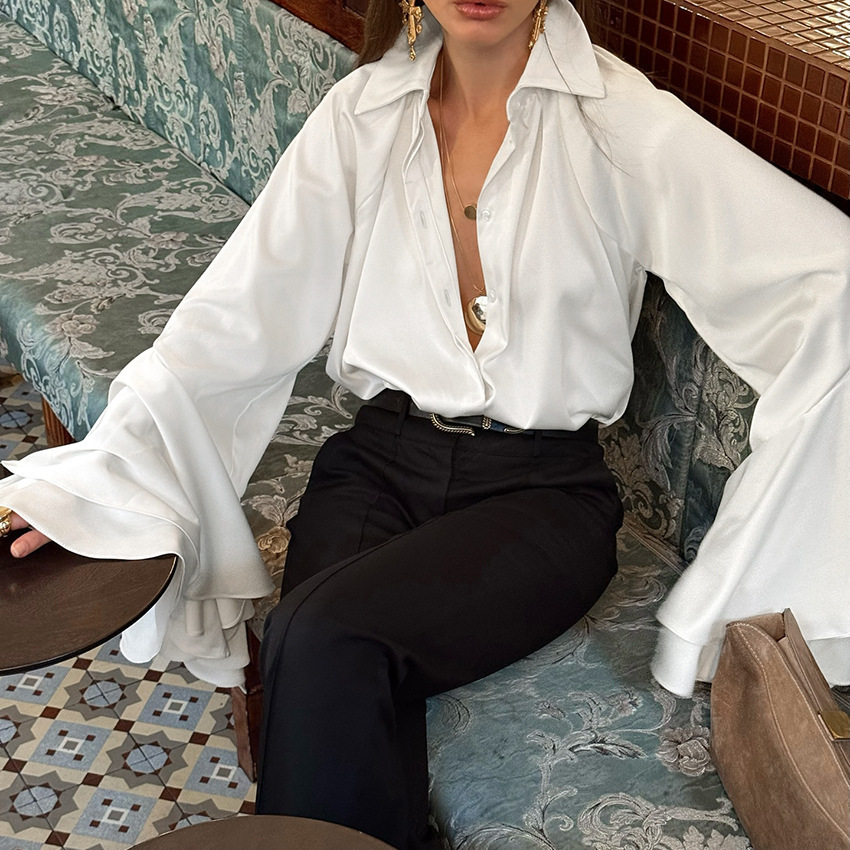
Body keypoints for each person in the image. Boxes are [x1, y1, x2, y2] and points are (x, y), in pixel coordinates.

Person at [1, 0, 849, 847]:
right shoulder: (364, 114)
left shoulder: (620, 125)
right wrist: (94, 478)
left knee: (323, 636)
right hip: (376, 462)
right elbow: (232, 317)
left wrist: (741, 571)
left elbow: (829, 281)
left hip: (542, 496)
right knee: (319, 655)